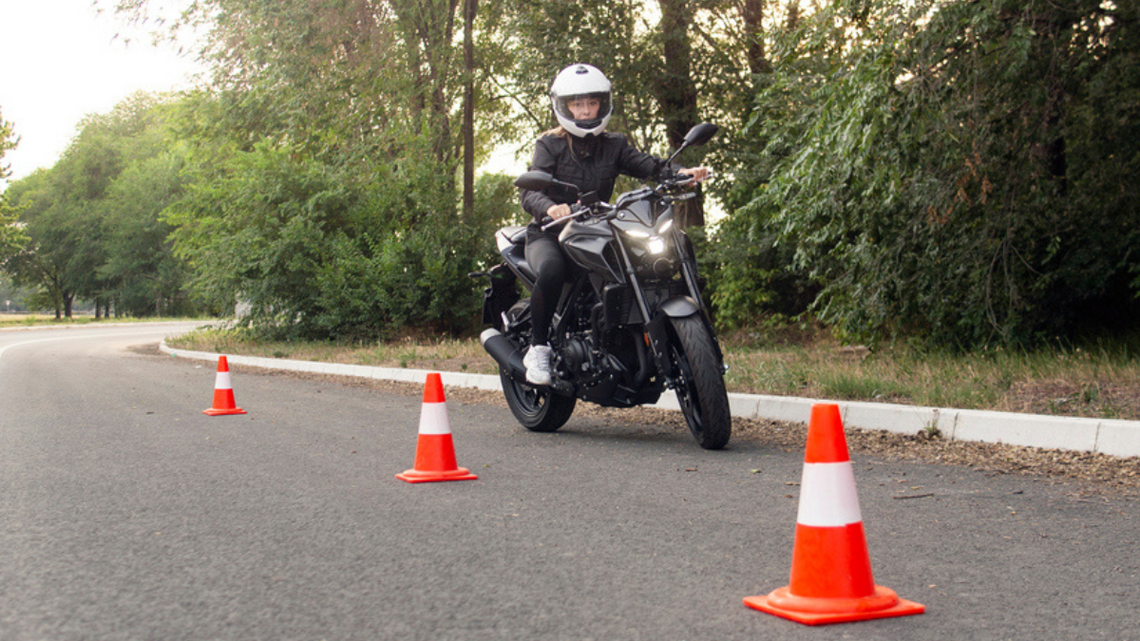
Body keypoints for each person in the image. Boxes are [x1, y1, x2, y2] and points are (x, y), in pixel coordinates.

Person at [518, 63, 710, 386]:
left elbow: (649, 166)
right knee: (551, 269)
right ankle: (538, 348)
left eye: (591, 102)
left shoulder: (614, 144)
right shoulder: (548, 145)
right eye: (577, 104)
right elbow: (529, 192)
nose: (585, 110)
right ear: (564, 108)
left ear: (602, 103)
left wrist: (681, 174)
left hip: (593, 230)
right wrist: (550, 208)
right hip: (550, 234)